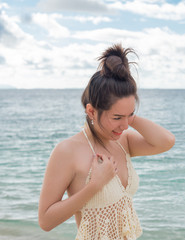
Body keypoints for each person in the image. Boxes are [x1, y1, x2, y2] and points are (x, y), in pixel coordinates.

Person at [38, 44, 175, 240]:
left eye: (130, 115)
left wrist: (126, 116)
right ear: (91, 111)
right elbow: (45, 221)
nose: (125, 126)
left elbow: (166, 141)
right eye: (117, 118)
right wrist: (95, 185)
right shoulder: (68, 151)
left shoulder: (123, 141)